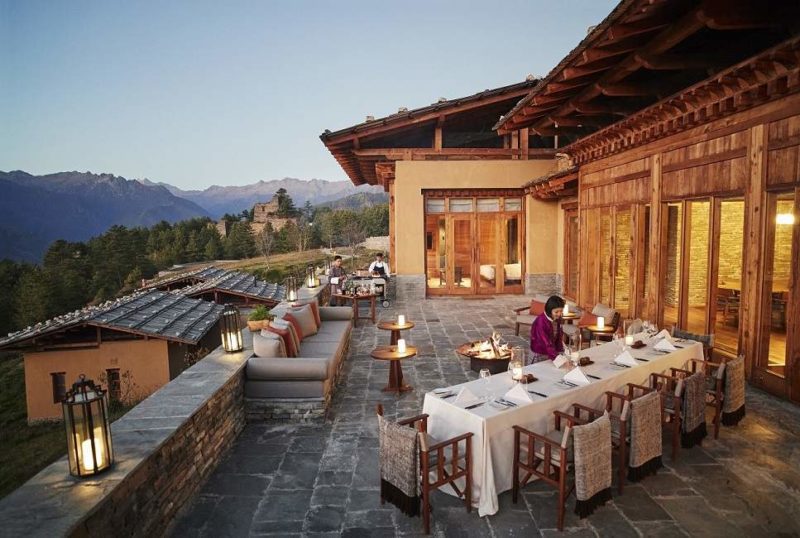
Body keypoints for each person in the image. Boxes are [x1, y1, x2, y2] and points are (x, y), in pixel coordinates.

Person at [529, 295, 565, 363]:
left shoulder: (556, 318)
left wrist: (561, 352)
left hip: (551, 353)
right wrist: (559, 360)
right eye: (556, 312)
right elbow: (546, 344)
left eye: (561, 311)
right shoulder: (541, 322)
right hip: (540, 353)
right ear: (549, 310)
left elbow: (559, 336)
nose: (559, 314)